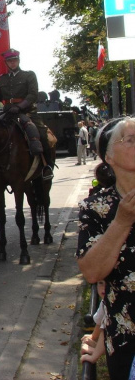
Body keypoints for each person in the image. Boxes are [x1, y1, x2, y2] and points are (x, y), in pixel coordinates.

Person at [77, 117, 135, 379]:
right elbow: (92, 272)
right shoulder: (96, 207)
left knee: (34, 136)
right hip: (126, 338)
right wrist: (122, 221)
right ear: (109, 156)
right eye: (131, 140)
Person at [0, 48, 54, 180]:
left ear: (18, 61)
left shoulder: (29, 75)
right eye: (9, 61)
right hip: (8, 113)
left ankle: (46, 166)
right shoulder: (2, 79)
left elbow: (32, 94)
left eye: (14, 60)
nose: (12, 63)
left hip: (27, 112)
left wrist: (20, 107)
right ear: (6, 63)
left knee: (42, 134)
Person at [81, 280, 107, 366]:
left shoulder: (113, 303)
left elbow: (106, 329)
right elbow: (99, 322)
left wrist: (94, 355)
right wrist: (93, 337)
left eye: (108, 285)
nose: (104, 288)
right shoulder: (105, 302)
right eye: (100, 283)